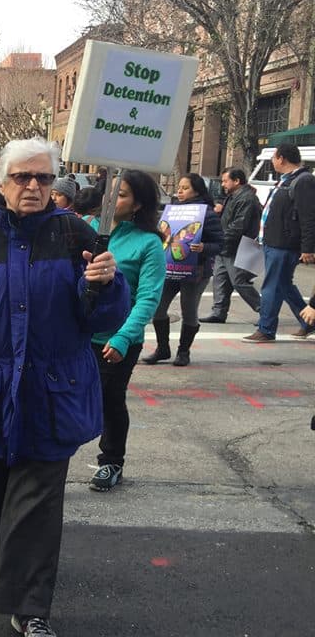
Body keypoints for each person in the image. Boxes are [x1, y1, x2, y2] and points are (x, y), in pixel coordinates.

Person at [0, 137, 129, 637]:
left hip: (54, 392)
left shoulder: (77, 234)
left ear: (54, 184)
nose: (33, 186)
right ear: (1, 181)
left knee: (37, 502)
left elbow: (101, 317)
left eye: (43, 178)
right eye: (22, 177)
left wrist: (105, 283)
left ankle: (30, 607)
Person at [87, 170, 166, 491]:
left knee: (109, 400)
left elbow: (148, 298)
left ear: (137, 204)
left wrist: (123, 336)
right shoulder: (88, 229)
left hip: (118, 340)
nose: (111, 199)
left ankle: (111, 462)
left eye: (121, 195)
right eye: (109, 192)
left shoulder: (148, 244)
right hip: (79, 334)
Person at [142, 173, 223, 366]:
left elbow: (220, 243)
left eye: (185, 188)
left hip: (195, 271)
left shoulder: (207, 214)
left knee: (189, 310)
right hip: (170, 269)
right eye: (179, 187)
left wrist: (204, 247)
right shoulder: (172, 211)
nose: (179, 191)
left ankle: (183, 351)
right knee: (158, 308)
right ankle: (162, 349)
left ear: (197, 190)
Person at [243, 142, 315, 342]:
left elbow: (309, 217)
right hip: (273, 241)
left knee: (272, 286)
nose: (273, 162)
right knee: (283, 285)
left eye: (274, 157)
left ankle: (266, 329)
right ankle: (309, 321)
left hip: (284, 244)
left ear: (281, 158)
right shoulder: (285, 180)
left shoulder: (303, 180)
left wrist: (308, 247)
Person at [200, 167, 261, 324]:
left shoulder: (246, 198)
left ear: (237, 181)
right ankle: (219, 312)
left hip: (238, 246)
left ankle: (265, 311)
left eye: (225, 181)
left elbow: (239, 225)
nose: (223, 184)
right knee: (220, 280)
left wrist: (220, 238)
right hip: (225, 245)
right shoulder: (233, 196)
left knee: (239, 281)